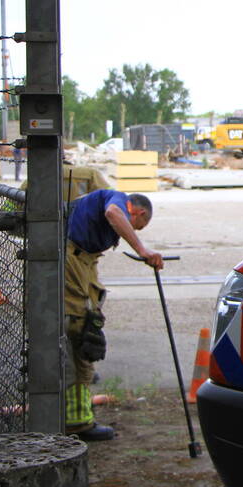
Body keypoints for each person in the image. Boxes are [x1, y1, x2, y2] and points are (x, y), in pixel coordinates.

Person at [64, 189, 163, 441]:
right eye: (139, 226)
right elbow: (113, 213)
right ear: (138, 212)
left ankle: (77, 411)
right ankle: (76, 422)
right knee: (79, 333)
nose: (135, 230)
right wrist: (142, 249)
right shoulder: (118, 200)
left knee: (88, 328)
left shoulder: (98, 222)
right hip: (72, 259)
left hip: (84, 260)